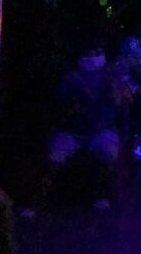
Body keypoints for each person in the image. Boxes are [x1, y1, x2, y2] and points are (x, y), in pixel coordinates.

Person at [48, 38, 121, 210]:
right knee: (53, 158)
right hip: (71, 132)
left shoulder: (110, 76)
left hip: (101, 131)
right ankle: (39, 200)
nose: (94, 57)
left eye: (98, 52)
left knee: (110, 154)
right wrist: (75, 106)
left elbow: (117, 102)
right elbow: (60, 108)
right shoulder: (71, 78)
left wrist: (113, 86)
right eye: (90, 53)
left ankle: (102, 194)